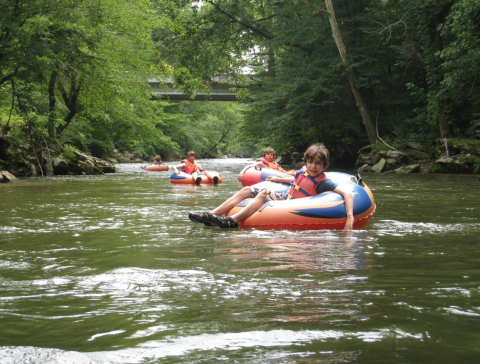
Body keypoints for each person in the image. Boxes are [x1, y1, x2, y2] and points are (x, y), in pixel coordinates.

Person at [189, 143, 354, 230]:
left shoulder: (324, 182)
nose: (313, 166)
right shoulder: (305, 172)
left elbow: (347, 193)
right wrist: (278, 179)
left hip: (291, 204)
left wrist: (350, 216)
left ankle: (233, 220)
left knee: (262, 194)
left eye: (318, 164)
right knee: (247, 190)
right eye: (310, 162)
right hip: (285, 197)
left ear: (324, 166)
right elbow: (295, 182)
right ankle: (210, 215)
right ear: (305, 162)